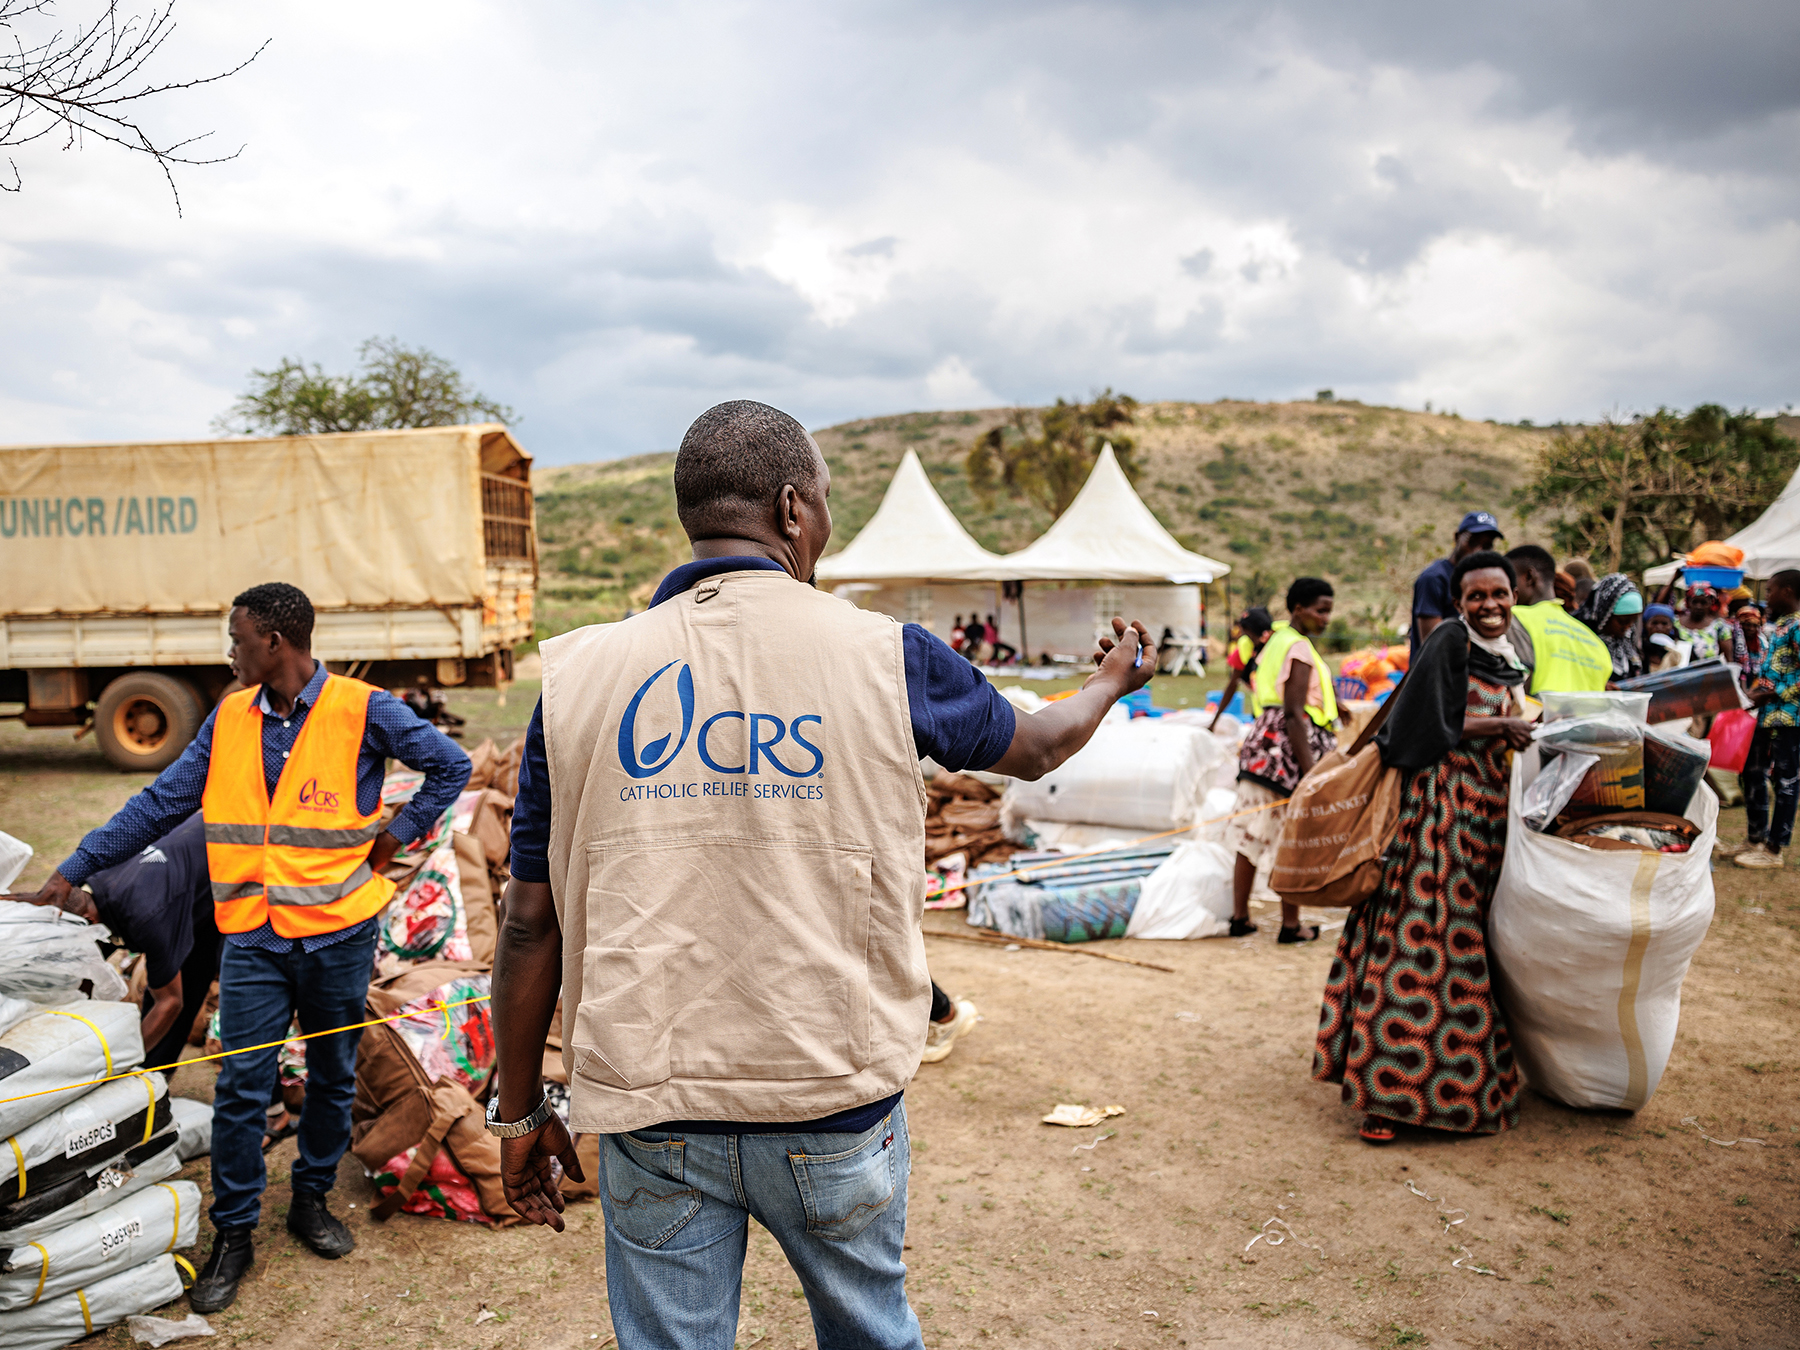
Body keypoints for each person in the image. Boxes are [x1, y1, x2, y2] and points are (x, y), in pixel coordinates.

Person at [489, 399, 1157, 1350]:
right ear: (795, 511)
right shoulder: (886, 656)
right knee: (868, 1332)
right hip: (832, 1094)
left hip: (653, 1104)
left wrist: (520, 1117)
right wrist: (1110, 683)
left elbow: (527, 924)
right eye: (829, 508)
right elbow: (1041, 743)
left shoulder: (580, 678)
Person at [21, 582, 471, 1313]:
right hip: (254, 938)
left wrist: (394, 836)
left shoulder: (365, 709)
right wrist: (75, 867)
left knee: (330, 1076)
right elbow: (161, 802)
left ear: (275, 643)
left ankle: (312, 1199)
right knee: (240, 1087)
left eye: (237, 638)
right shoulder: (229, 717)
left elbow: (450, 766)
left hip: (338, 934)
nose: (229, 651)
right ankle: (233, 1233)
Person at [1313, 550, 1532, 1143]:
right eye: (1476, 596)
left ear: (1516, 595)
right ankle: (1387, 1097)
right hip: (1437, 819)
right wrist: (1498, 727)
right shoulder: (1449, 643)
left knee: (1472, 950)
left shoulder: (1517, 650)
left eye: (1500, 594)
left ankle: (1459, 1083)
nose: (1490, 606)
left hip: (1485, 823)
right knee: (1421, 947)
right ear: (1458, 602)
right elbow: (1419, 722)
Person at [18, 813, 218, 1082]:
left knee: (186, 980)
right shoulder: (89, 880)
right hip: (189, 849)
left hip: (229, 857)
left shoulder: (149, 918)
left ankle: (151, 1075)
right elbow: (83, 971)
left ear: (89, 919)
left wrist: (122, 1063)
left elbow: (170, 1003)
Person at [1223, 580, 1337, 944]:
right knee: (1292, 835)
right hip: (1287, 751)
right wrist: (1310, 773)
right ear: (1298, 608)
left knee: (1251, 834)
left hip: (1262, 744)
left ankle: (1240, 916)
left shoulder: (1276, 641)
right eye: (1320, 609)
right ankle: (1291, 924)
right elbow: (1293, 712)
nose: (1326, 618)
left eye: (1329, 610)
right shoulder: (1299, 647)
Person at [1737, 571, 1800, 870]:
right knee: (1751, 772)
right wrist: (1756, 692)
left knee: (1786, 781)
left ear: (1787, 591)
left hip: (1790, 718)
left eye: (1771, 589)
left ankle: (1774, 849)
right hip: (1767, 716)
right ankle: (1755, 838)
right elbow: (1776, 671)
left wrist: (1776, 694)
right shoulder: (1781, 626)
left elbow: (1788, 681)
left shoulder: (1798, 626)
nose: (1767, 595)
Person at [1505, 545, 1610, 693]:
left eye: (1508, 579)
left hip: (1536, 716)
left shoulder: (1513, 619)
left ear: (1529, 576)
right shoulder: (1594, 642)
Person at [1410, 511, 1502, 658]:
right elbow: (1433, 646)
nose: (1478, 551)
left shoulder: (1481, 581)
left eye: (1487, 546)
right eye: (1472, 542)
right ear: (1457, 538)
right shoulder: (1434, 578)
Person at [1208, 607, 1272, 732]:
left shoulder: (1279, 644)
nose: (1242, 634)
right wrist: (1214, 721)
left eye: (1245, 631)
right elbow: (1233, 684)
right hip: (1260, 715)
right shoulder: (1246, 645)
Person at [1573, 573, 1644, 682]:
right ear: (1604, 614)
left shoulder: (1626, 643)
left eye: (1633, 621)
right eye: (1622, 621)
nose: (1627, 627)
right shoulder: (1578, 637)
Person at [1676, 582, 1745, 668]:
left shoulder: (1720, 626)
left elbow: (1728, 659)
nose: (1699, 606)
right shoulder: (1676, 624)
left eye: (1703, 603)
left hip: (1709, 677)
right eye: (1695, 602)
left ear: (1711, 603)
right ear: (1688, 602)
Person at [1643, 602, 1682, 671]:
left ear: (1671, 626)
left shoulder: (1681, 648)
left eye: (1664, 623)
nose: (1659, 627)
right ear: (1646, 624)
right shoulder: (1640, 650)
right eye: (1654, 623)